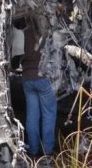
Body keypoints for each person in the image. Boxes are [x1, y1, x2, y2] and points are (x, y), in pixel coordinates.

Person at [21, 16, 57, 160]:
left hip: (27, 78)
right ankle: (47, 151)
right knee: (48, 114)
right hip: (43, 78)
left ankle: (33, 150)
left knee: (32, 116)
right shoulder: (46, 31)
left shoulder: (22, 32)